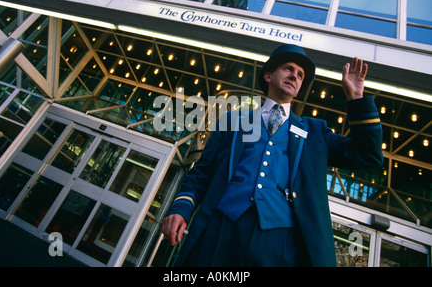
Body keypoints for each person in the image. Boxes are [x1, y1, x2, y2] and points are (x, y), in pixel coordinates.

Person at [162, 44, 383, 267]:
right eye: (288, 69)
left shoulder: (315, 132)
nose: (295, 76)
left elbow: (367, 154)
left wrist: (356, 98)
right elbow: (202, 173)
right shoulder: (233, 120)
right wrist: (182, 208)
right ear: (268, 75)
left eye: (300, 75)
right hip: (221, 228)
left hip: (280, 242)